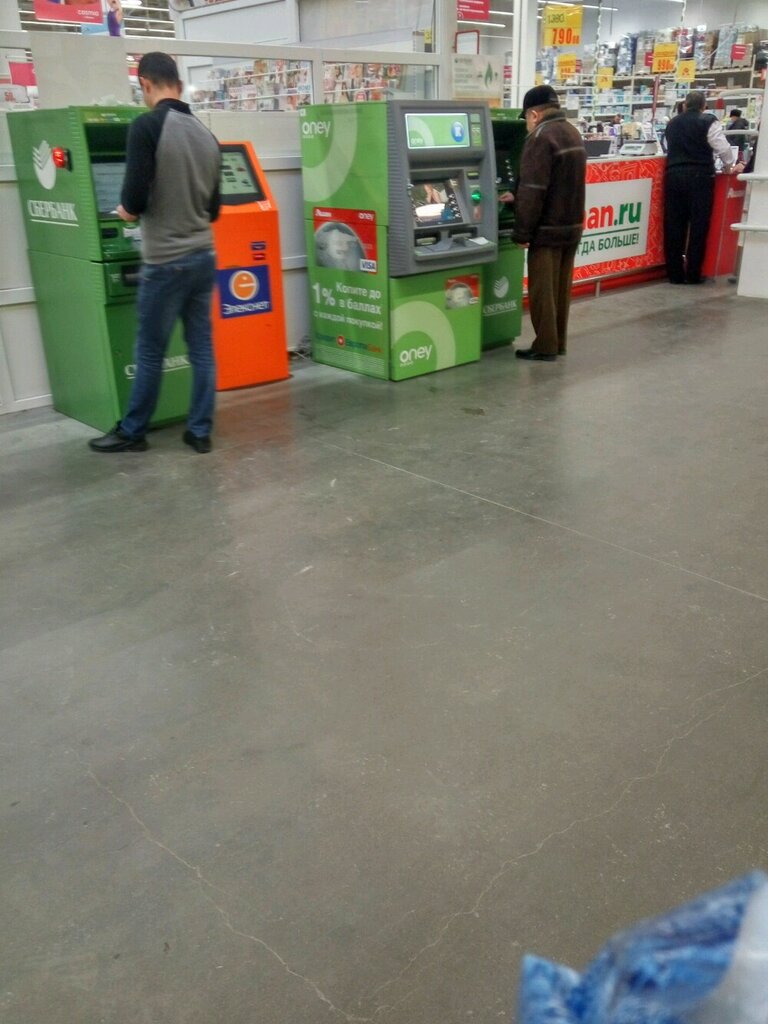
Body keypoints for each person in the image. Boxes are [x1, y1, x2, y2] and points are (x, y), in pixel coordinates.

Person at [89, 52, 221, 454]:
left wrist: (124, 212)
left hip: (165, 261)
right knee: (202, 348)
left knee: (149, 351)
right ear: (177, 84)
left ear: (145, 83)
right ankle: (199, 432)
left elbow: (133, 199)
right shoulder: (207, 136)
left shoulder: (146, 127)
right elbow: (214, 210)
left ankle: (133, 432)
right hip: (203, 256)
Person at [499, 84, 586, 361]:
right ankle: (558, 342)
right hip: (570, 226)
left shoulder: (540, 137)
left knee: (542, 291)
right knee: (560, 290)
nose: (527, 123)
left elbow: (534, 190)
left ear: (534, 114)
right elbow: (558, 181)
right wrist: (516, 194)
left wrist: (521, 232)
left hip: (546, 230)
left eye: (526, 117)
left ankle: (545, 346)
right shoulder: (571, 132)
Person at [663, 91, 744, 286]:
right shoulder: (708, 121)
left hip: (673, 176)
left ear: (684, 104)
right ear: (703, 106)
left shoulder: (672, 123)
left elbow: (667, 147)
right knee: (698, 226)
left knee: (674, 225)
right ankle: (693, 274)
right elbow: (723, 148)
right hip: (700, 177)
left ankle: (674, 274)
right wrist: (729, 165)